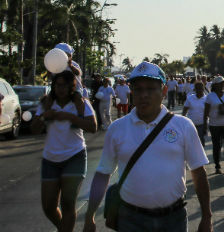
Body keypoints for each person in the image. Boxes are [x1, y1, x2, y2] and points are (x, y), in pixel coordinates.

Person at [82, 61, 213, 232]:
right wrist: (89, 216)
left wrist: (207, 216)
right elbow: (103, 173)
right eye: (138, 89)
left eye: (151, 88)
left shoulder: (183, 126)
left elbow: (198, 172)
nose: (144, 95)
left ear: (164, 91)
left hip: (173, 220)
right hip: (130, 220)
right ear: (132, 92)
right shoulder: (117, 128)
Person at [30, 70, 97, 232]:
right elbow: (34, 130)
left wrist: (71, 117)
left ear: (71, 86)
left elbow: (93, 127)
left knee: (68, 204)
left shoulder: (81, 103)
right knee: (48, 206)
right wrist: (45, 116)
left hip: (75, 157)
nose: (60, 88)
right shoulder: (46, 103)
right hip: (50, 159)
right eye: (57, 85)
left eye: (64, 85)